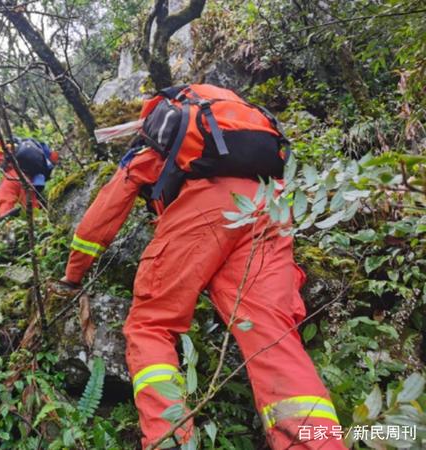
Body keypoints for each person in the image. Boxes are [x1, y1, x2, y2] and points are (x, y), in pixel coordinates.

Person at [60, 84, 346, 449]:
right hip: (270, 205)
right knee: (272, 337)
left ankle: (170, 440)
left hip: (206, 206)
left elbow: (99, 220)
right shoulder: (238, 136)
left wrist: (73, 274)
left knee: (151, 325)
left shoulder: (155, 146)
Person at [0, 138, 58, 219]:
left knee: (7, 194)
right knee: (31, 202)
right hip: (30, 176)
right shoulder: (19, 146)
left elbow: (6, 201)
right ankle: (39, 222)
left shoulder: (10, 179)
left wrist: (3, 222)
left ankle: (6, 227)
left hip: (16, 176)